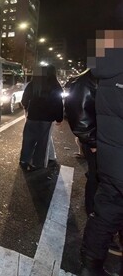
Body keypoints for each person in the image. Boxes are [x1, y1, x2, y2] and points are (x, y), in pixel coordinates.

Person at [80, 30, 123, 275]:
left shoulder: (105, 75)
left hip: (110, 160)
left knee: (105, 214)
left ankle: (90, 267)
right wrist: (89, 139)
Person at [65, 69, 98, 215]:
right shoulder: (90, 78)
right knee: (97, 178)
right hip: (101, 143)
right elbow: (78, 111)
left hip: (107, 140)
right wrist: (93, 141)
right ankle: (94, 213)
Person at [19, 65, 64, 171]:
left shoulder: (34, 83)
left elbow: (25, 98)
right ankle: (37, 163)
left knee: (28, 139)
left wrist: (26, 107)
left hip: (33, 116)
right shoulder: (55, 85)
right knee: (42, 142)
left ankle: (24, 160)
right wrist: (59, 118)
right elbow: (58, 103)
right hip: (47, 119)